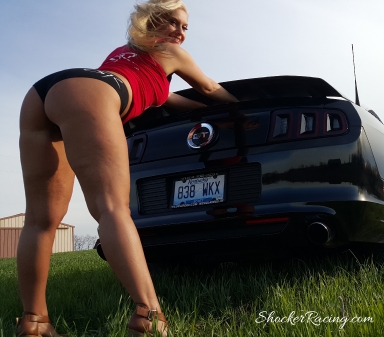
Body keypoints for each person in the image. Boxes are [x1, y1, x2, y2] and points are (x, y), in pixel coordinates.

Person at [16, 0, 237, 336]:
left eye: (185, 27)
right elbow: (208, 88)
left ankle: (34, 322)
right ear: (153, 22)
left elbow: (169, 101)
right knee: (112, 209)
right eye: (172, 23)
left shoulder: (126, 52)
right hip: (92, 93)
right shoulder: (170, 52)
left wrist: (205, 114)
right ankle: (150, 316)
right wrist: (242, 109)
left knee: (40, 220)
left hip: (48, 90)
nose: (179, 32)